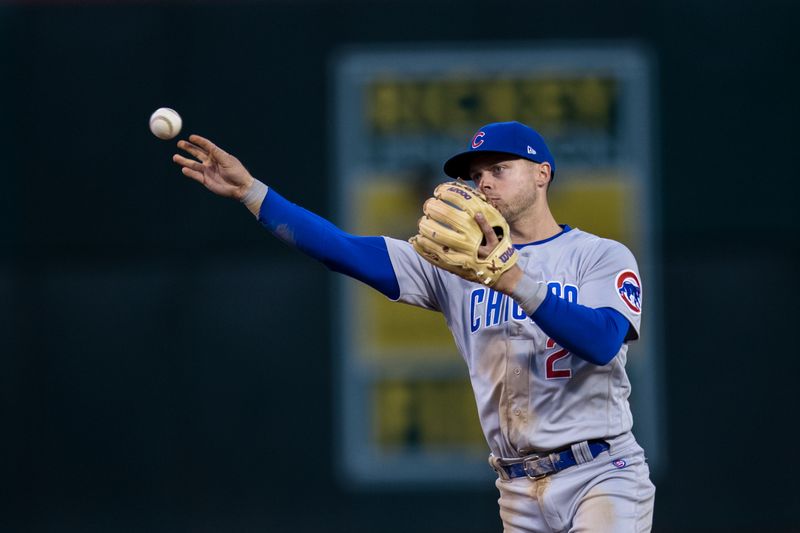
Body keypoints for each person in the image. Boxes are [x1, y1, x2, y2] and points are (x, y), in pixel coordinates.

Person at [172, 120, 655, 532]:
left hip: (601, 475)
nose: (483, 183)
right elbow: (343, 250)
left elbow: (602, 341)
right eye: (476, 175)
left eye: (499, 169)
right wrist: (251, 192)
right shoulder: (454, 264)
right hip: (519, 488)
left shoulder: (599, 255)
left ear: (542, 173)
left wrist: (514, 280)